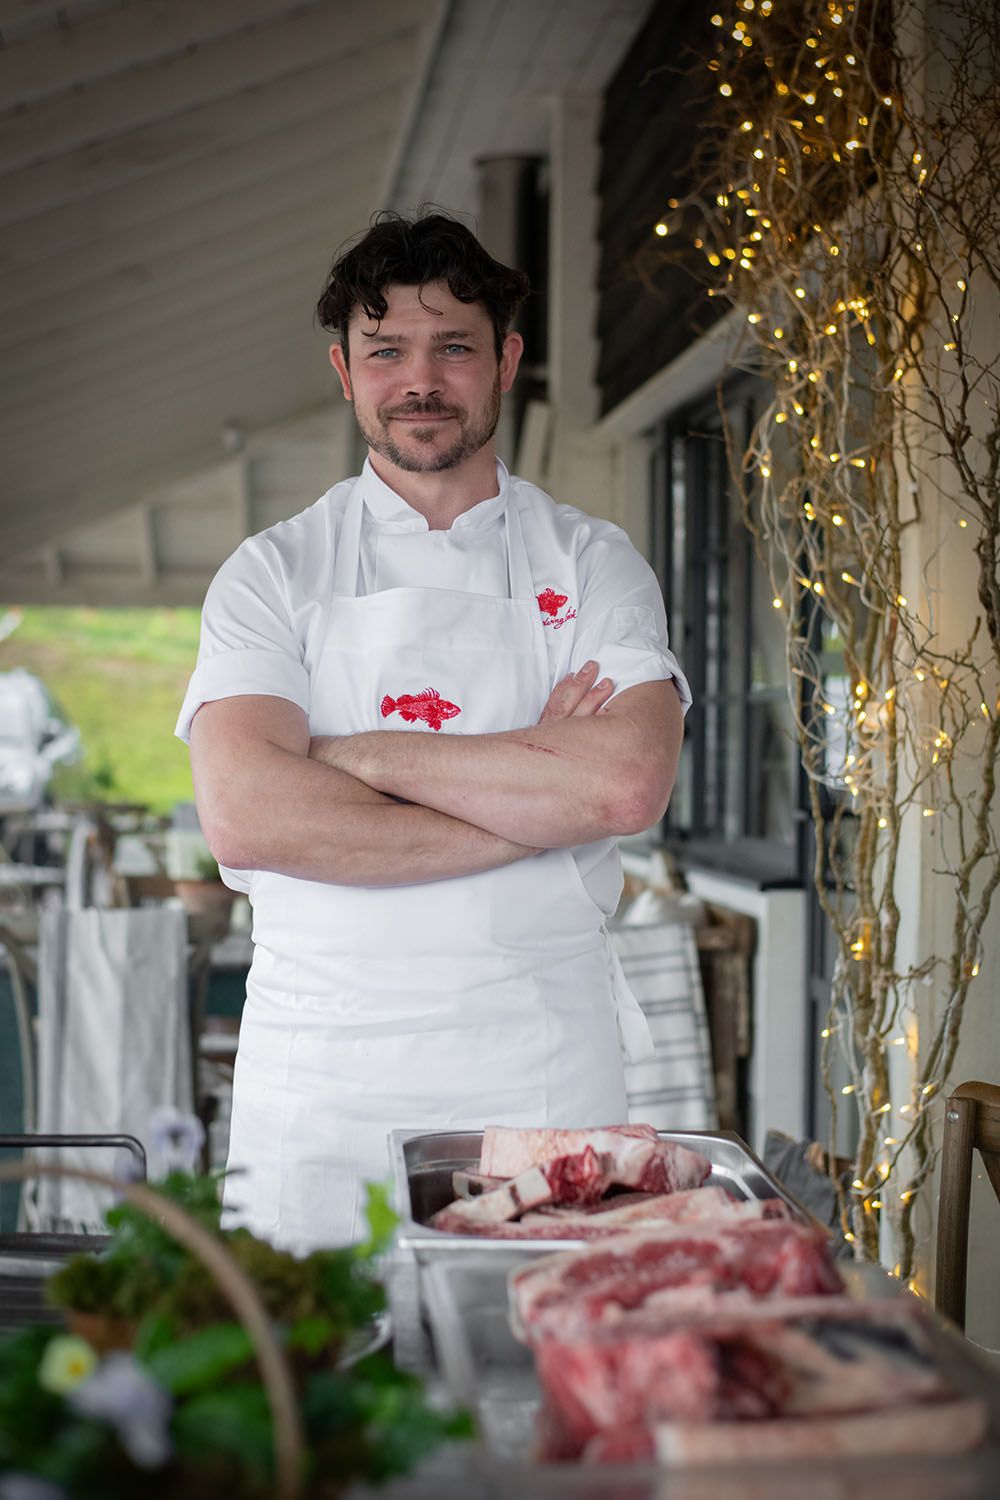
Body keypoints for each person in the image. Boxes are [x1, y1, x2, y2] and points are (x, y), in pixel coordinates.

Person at [176, 212, 691, 1250]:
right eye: (387, 352)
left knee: (539, 1378)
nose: (421, 378)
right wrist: (536, 798)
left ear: (504, 359)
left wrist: (355, 758)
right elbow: (242, 815)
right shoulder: (274, 571)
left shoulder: (591, 562)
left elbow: (625, 786)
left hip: (536, 1066)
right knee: (311, 1393)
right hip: (322, 1076)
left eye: (453, 346)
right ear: (344, 371)